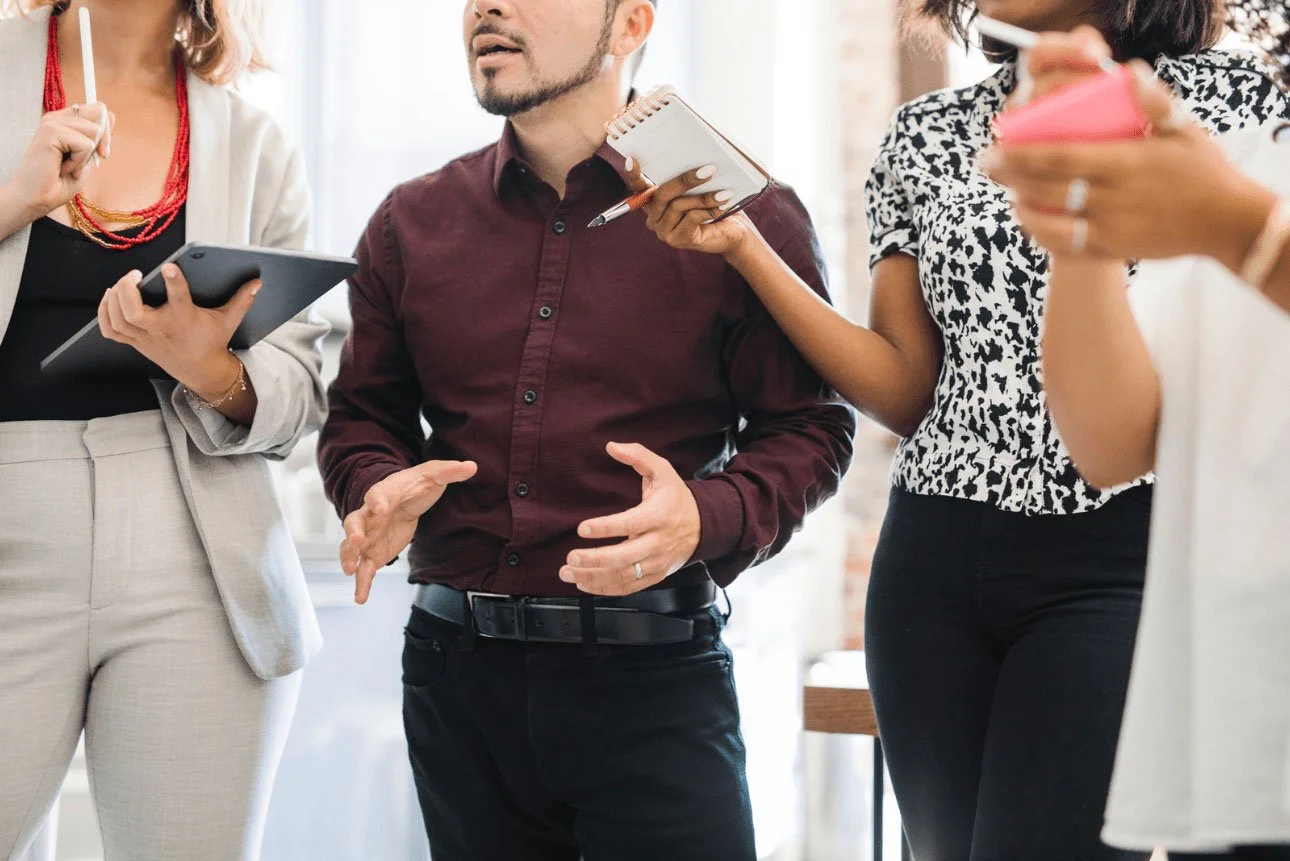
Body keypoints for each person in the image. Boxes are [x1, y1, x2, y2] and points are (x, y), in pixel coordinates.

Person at [635, 0, 1289, 858]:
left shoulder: (1242, 102)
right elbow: (909, 390)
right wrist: (748, 246)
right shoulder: (928, 130)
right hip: (934, 563)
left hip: (1121, 551)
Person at [316, 1, 855, 859]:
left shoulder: (746, 216)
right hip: (457, 681)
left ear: (630, 24)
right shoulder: (406, 224)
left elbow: (810, 429)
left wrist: (703, 518)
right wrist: (377, 482)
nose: (487, 7)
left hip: (654, 678)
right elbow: (361, 417)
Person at [0, 1, 328, 858]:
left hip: (202, 544)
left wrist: (213, 371)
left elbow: (302, 384)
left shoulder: (255, 140)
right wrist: (10, 202)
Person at [984, 22, 1290, 861]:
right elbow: (1114, 442)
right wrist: (1084, 221)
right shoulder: (1261, 153)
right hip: (1241, 728)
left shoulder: (1246, 187)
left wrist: (1241, 231)